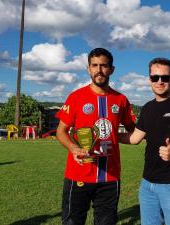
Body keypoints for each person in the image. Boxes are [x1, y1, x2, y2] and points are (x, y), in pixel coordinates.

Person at [56, 48, 136, 225]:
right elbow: (60, 131)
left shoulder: (121, 100)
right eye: (95, 65)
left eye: (104, 66)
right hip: (79, 174)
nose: (99, 70)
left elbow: (133, 131)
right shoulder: (76, 97)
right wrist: (74, 148)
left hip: (110, 177)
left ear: (111, 69)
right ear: (88, 69)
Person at [119, 57, 170, 225]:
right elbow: (135, 138)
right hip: (147, 184)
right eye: (154, 77)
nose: (159, 82)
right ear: (149, 79)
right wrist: (109, 135)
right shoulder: (148, 107)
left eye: (165, 78)